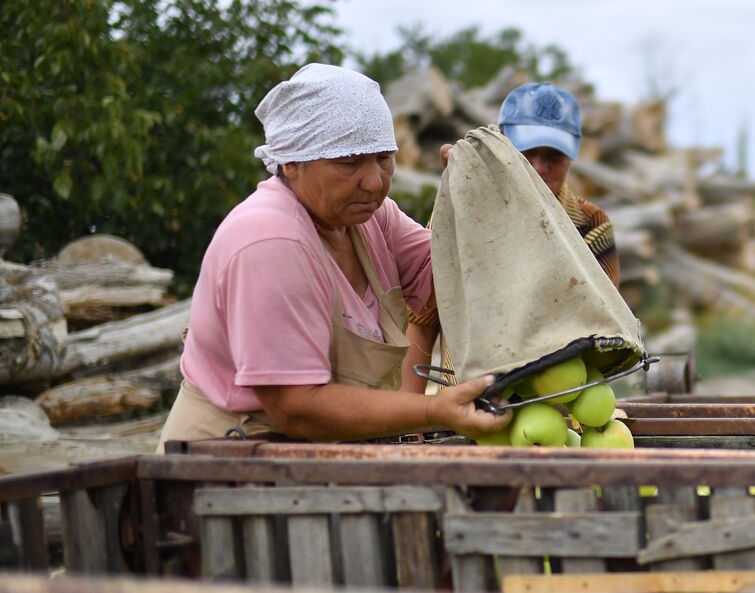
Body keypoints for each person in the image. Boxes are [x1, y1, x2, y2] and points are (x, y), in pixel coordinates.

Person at [159, 64, 510, 445]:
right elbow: (296, 407)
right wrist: (431, 410)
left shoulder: (372, 219)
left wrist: (477, 194)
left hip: (321, 457)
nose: (375, 181)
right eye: (349, 163)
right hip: (229, 461)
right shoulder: (270, 243)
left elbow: (451, 278)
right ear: (292, 162)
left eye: (383, 159)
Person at [497, 82, 620, 287]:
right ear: (500, 144)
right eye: (526, 151)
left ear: (571, 158)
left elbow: (604, 315)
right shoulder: (465, 207)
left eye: (554, 156)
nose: (539, 167)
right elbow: (426, 312)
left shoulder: (592, 225)